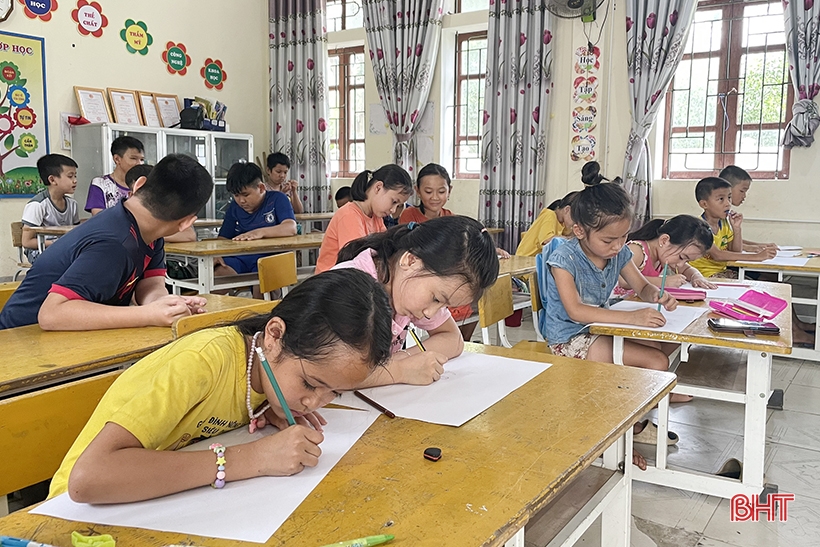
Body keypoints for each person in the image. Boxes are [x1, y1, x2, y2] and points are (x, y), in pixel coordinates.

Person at [48, 269, 394, 504]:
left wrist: (266, 406)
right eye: (310, 383)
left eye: (334, 392)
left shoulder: (261, 375)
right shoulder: (204, 361)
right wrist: (253, 458)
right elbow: (88, 479)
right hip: (77, 516)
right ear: (274, 335)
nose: (314, 402)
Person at [543, 182, 682, 468]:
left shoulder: (618, 253)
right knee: (655, 362)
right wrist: (631, 318)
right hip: (569, 339)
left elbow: (641, 287)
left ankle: (628, 424)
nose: (618, 246)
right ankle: (619, 438)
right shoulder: (564, 259)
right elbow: (576, 310)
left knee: (664, 346)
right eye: (609, 240)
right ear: (580, 230)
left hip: (598, 330)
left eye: (624, 237)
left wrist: (656, 295)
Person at [0, 154, 212, 331]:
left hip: (68, 336)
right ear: (186, 223)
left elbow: (150, 285)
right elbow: (52, 314)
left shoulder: (150, 233)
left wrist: (165, 305)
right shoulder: (114, 242)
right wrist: (146, 314)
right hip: (19, 341)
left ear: (138, 185)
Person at [334, 216, 499, 387]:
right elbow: (331, 373)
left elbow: (453, 339)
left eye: (443, 305)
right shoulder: (347, 289)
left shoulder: (405, 283)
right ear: (411, 260)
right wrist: (399, 370)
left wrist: (404, 357)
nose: (430, 314)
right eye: (436, 299)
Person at [398, 163, 507, 340]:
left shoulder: (451, 218)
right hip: (425, 280)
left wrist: (488, 250)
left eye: (441, 191)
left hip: (447, 277)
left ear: (450, 190)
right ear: (417, 190)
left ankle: (463, 341)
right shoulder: (409, 216)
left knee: (470, 301)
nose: (435, 197)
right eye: (428, 191)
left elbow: (462, 248)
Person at [316, 164, 413, 274]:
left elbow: (386, 247)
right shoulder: (349, 215)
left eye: (398, 205)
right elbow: (359, 260)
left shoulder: (376, 217)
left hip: (353, 278)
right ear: (378, 187)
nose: (393, 210)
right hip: (333, 283)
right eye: (394, 202)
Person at [214, 162, 297, 278]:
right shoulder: (234, 207)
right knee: (217, 276)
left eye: (245, 195)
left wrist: (259, 232)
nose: (241, 200)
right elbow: (223, 237)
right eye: (236, 195)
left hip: (270, 257)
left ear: (261, 188)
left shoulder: (277, 199)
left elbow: (291, 227)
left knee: (263, 284)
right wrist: (216, 253)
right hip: (239, 259)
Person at [688, 177, 776, 279]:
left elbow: (736, 253)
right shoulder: (700, 228)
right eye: (721, 199)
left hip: (721, 272)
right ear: (704, 204)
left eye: (729, 198)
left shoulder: (724, 223)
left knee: (758, 282)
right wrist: (757, 257)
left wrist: (737, 228)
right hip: (702, 275)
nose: (727, 203)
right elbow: (718, 255)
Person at [620, 215, 717, 290]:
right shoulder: (637, 250)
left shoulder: (664, 255)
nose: (680, 264)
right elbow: (622, 281)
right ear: (664, 240)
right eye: (682, 257)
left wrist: (696, 277)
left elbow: (687, 269)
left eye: (687, 260)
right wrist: (663, 282)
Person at [20, 154, 81, 264]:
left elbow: (75, 233)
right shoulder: (37, 205)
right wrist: (57, 243)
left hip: (64, 249)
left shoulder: (72, 204)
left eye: (75, 176)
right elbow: (26, 242)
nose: (75, 180)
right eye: (70, 176)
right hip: (39, 251)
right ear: (52, 180)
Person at [126, 164, 195, 243]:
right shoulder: (124, 215)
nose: (145, 195)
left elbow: (189, 235)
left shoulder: (169, 205)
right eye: (139, 191)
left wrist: (150, 236)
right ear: (131, 195)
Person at [719, 165, 777, 253]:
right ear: (728, 189)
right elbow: (717, 246)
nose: (744, 196)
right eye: (742, 191)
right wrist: (749, 248)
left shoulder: (727, 214)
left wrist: (759, 245)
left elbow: (730, 240)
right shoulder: (716, 214)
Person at [85, 135, 144, 215]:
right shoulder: (100, 183)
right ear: (117, 159)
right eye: (133, 158)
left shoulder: (144, 184)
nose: (139, 163)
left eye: (142, 159)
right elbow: (98, 217)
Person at [516, 191, 578, 257]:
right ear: (567, 210)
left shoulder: (563, 224)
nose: (576, 221)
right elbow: (546, 240)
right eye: (576, 217)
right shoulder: (550, 215)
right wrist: (569, 238)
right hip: (525, 258)